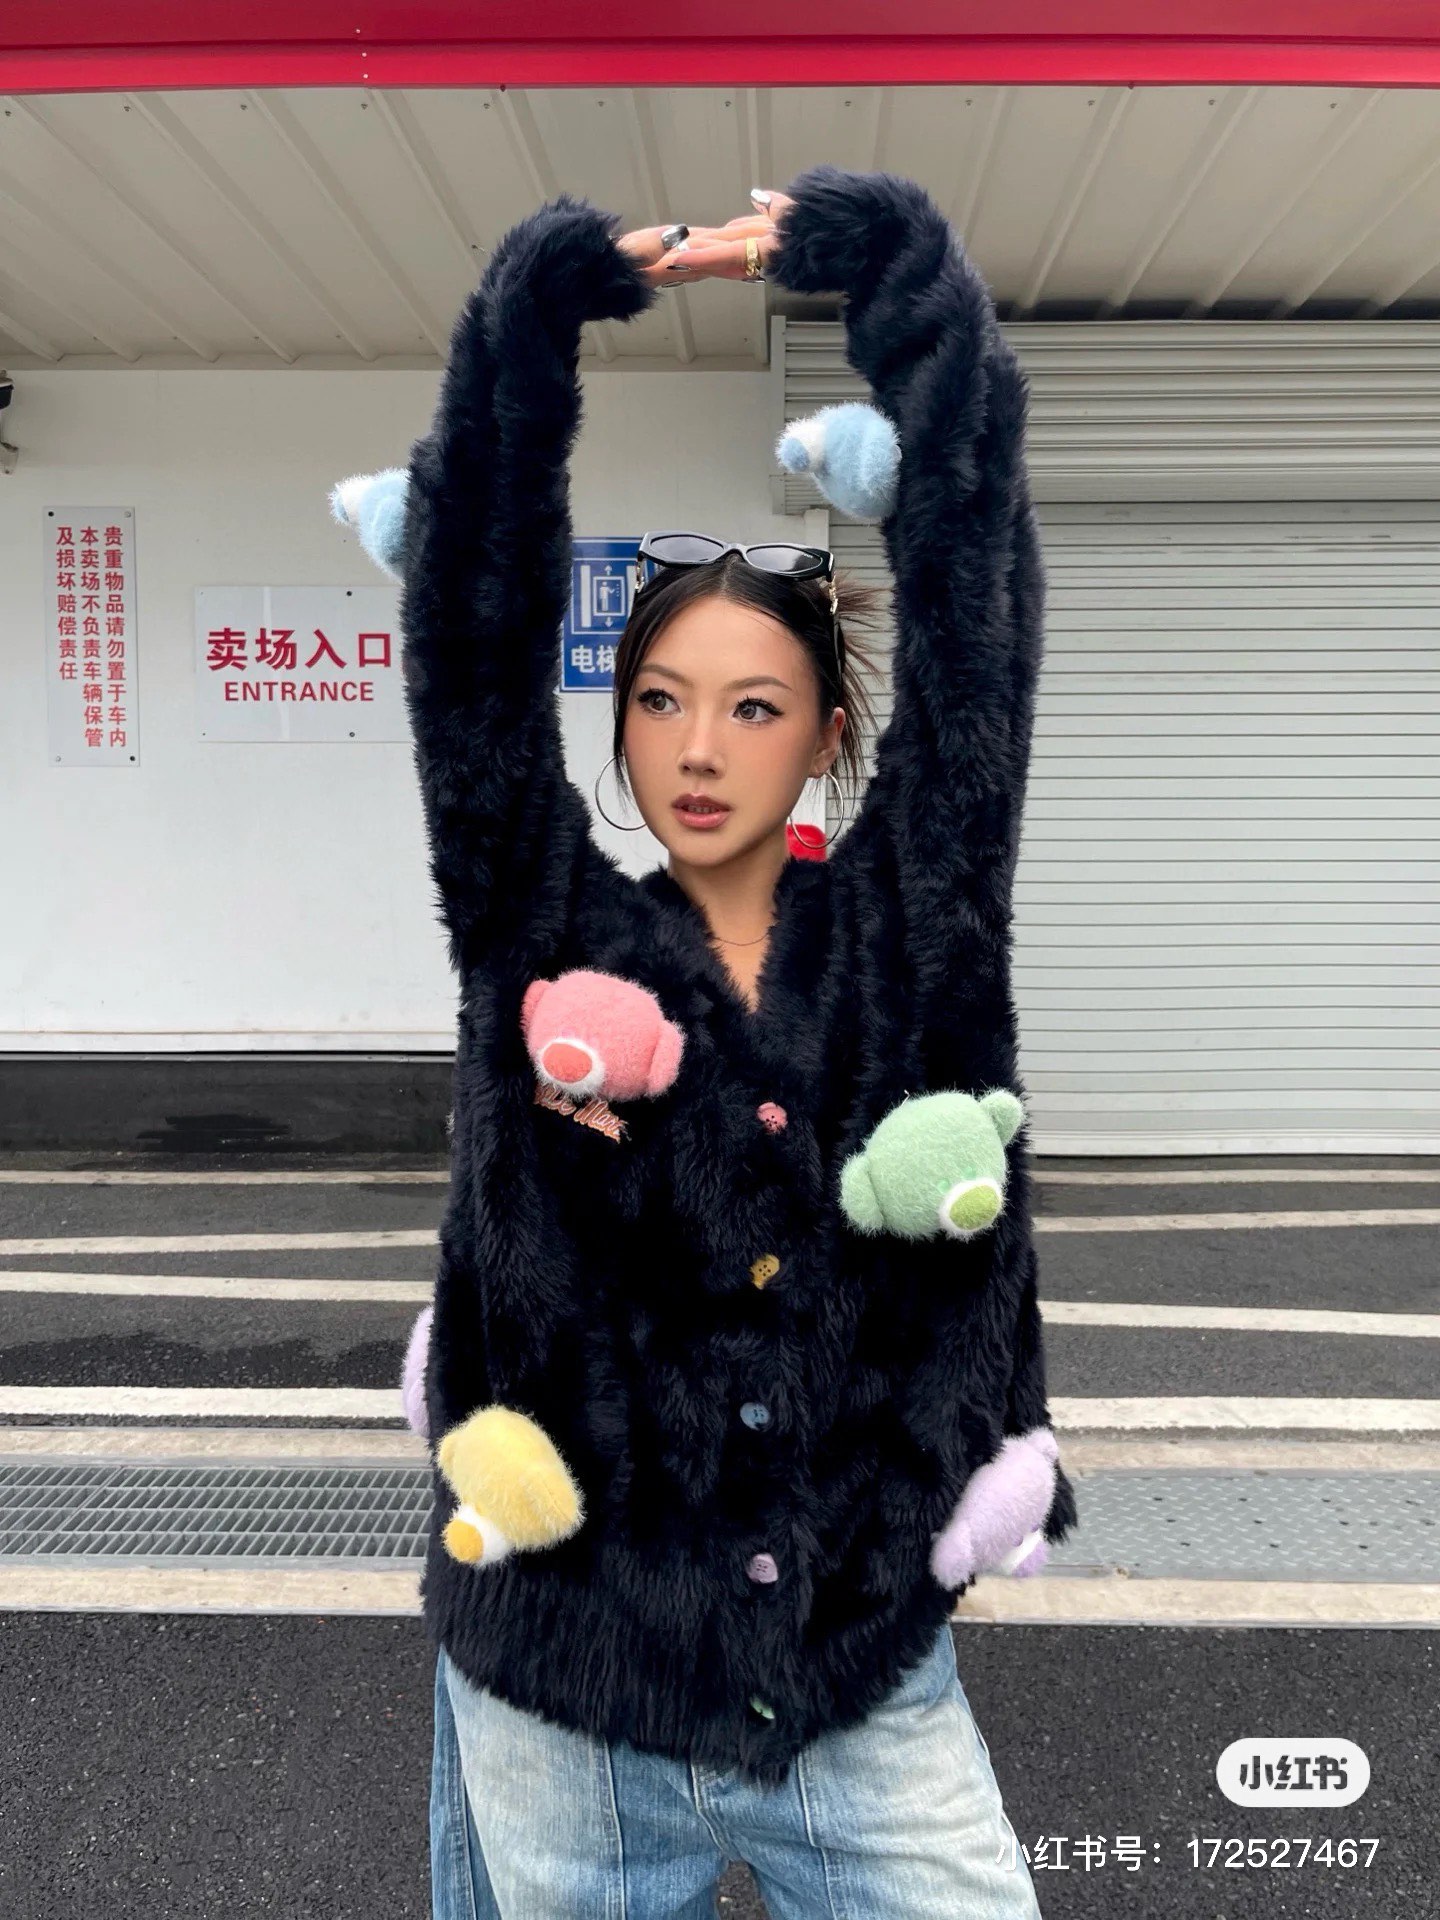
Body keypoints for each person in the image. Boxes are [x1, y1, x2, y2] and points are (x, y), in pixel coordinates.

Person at [402, 163, 1072, 1919]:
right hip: (564, 1686)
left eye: (754, 705)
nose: (699, 749)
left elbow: (982, 623)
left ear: (830, 731)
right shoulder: (536, 920)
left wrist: (900, 277)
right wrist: (528, 328)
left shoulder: (919, 923)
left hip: (854, 1683)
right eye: (660, 700)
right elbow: (468, 649)